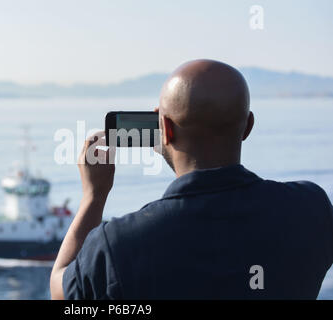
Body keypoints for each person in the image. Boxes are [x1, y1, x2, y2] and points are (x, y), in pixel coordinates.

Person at [50, 59, 333, 299]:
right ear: (247, 126)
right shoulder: (311, 209)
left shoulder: (118, 244)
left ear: (165, 129)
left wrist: (94, 196)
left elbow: (61, 289)